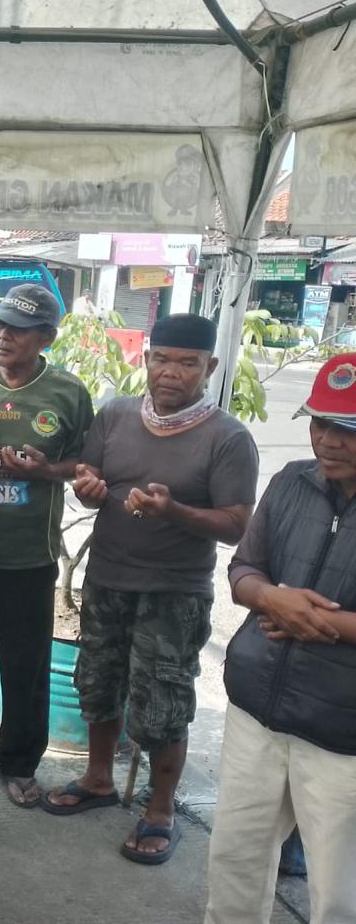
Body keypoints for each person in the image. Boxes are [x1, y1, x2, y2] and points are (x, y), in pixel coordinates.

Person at [41, 314, 258, 866]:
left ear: (209, 368)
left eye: (187, 363)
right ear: (146, 360)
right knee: (97, 681)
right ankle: (97, 780)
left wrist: (173, 511)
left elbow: (236, 525)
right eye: (162, 358)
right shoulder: (114, 414)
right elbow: (91, 483)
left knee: (162, 701)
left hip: (174, 593)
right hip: (109, 578)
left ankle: (160, 809)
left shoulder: (228, 437)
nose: (171, 373)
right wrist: (87, 489)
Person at [205, 354, 356, 922]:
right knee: (235, 861)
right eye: (320, 422)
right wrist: (272, 599)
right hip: (256, 710)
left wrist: (312, 621)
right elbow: (244, 570)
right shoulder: (291, 482)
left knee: (338, 894)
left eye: (348, 428)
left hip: (343, 733)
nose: (329, 440)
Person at [0, 283, 94, 807]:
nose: (3, 336)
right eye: (0, 325)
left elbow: (86, 466)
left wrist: (47, 469)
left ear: (45, 338)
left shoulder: (69, 394)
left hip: (31, 558)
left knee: (25, 666)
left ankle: (20, 764)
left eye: (18, 330)